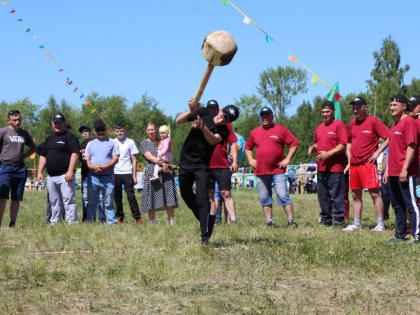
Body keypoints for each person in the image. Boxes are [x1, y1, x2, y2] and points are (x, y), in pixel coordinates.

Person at [176, 100, 239, 245]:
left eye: (226, 119)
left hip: (202, 165)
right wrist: (191, 111)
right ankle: (205, 219)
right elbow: (179, 120)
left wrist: (203, 127)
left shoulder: (224, 130)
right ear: (221, 109)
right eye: (223, 115)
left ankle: (205, 236)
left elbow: (213, 140)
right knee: (185, 193)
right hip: (186, 160)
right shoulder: (204, 112)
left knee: (202, 198)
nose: (222, 119)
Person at [245, 106, 299, 228]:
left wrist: (288, 159)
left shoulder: (281, 130)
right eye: (262, 116)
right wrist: (250, 159)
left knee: (282, 194)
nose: (264, 118)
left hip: (277, 170)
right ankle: (269, 222)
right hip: (261, 171)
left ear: (272, 117)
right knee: (264, 197)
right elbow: (248, 147)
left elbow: (294, 144)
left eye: (267, 115)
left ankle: (291, 221)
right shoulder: (255, 132)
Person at [343, 97, 389, 232]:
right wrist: (349, 154)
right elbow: (348, 141)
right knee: (355, 195)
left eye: (358, 107)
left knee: (375, 193)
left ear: (365, 107)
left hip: (368, 164)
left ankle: (380, 224)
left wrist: (377, 153)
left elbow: (388, 137)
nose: (355, 110)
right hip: (354, 164)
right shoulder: (352, 123)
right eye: (353, 108)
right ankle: (357, 223)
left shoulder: (373, 121)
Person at [383, 95, 419, 243]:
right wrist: (386, 170)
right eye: (391, 105)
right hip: (392, 172)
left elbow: (411, 146)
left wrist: (404, 169)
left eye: (395, 105)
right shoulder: (394, 124)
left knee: (411, 205)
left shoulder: (409, 122)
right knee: (397, 205)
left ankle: (417, 236)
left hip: (406, 172)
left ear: (404, 107)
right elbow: (392, 149)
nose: (392, 107)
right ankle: (400, 235)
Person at [308, 101, 347, 227]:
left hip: (336, 167)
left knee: (337, 195)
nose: (325, 114)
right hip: (321, 167)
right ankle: (325, 218)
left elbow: (343, 145)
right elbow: (316, 143)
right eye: (323, 112)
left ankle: (339, 219)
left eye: (327, 112)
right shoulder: (319, 128)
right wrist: (313, 147)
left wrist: (329, 154)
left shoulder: (339, 125)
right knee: (323, 195)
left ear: (333, 112)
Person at [37, 113, 79, 226]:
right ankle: (55, 221)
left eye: (60, 123)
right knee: (54, 201)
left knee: (68, 200)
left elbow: (75, 154)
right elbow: (43, 155)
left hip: (65, 175)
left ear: (64, 124)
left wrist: (70, 171)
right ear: (52, 124)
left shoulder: (70, 137)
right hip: (51, 176)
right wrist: (40, 172)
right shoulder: (49, 139)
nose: (57, 125)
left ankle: (72, 223)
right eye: (55, 123)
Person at [0, 109, 36, 228]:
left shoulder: (24, 133)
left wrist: (23, 157)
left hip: (20, 169)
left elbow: (33, 148)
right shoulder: (3, 132)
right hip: (5, 167)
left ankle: (12, 223)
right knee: (2, 196)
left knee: (16, 197)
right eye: (15, 120)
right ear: (9, 120)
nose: (17, 122)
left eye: (19, 120)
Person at [206, 100, 238, 224]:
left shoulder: (227, 125)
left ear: (219, 109)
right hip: (207, 165)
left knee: (226, 193)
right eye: (209, 108)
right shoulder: (205, 122)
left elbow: (233, 143)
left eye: (214, 108)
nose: (211, 110)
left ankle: (233, 220)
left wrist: (235, 161)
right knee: (210, 195)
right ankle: (211, 219)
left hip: (222, 164)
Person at [140, 122, 178, 225]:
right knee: (151, 198)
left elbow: (168, 153)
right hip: (152, 173)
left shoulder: (163, 141)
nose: (151, 132)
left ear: (156, 130)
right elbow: (148, 156)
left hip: (166, 172)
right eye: (149, 130)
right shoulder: (144, 143)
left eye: (152, 129)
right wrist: (160, 162)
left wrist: (167, 164)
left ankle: (171, 222)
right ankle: (152, 223)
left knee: (169, 197)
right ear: (146, 131)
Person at [84, 120, 119, 224]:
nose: (100, 132)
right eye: (98, 130)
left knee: (108, 202)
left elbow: (115, 159)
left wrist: (105, 167)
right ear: (94, 131)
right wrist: (94, 167)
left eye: (102, 129)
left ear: (106, 130)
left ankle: (112, 223)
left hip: (108, 176)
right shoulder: (90, 144)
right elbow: (87, 161)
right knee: (92, 202)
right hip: (93, 177)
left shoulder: (113, 142)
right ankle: (90, 222)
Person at [113, 123, 142, 224]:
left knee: (131, 197)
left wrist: (134, 175)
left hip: (127, 173)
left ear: (125, 131)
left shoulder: (130, 142)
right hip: (115, 173)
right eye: (117, 131)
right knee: (117, 198)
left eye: (121, 131)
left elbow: (134, 159)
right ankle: (119, 218)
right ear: (115, 132)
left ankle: (137, 218)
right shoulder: (113, 142)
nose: (120, 133)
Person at [407, 96, 420, 201]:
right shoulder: (409, 120)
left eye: (414, 106)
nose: (411, 108)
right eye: (410, 106)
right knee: (413, 192)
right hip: (411, 161)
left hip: (418, 162)